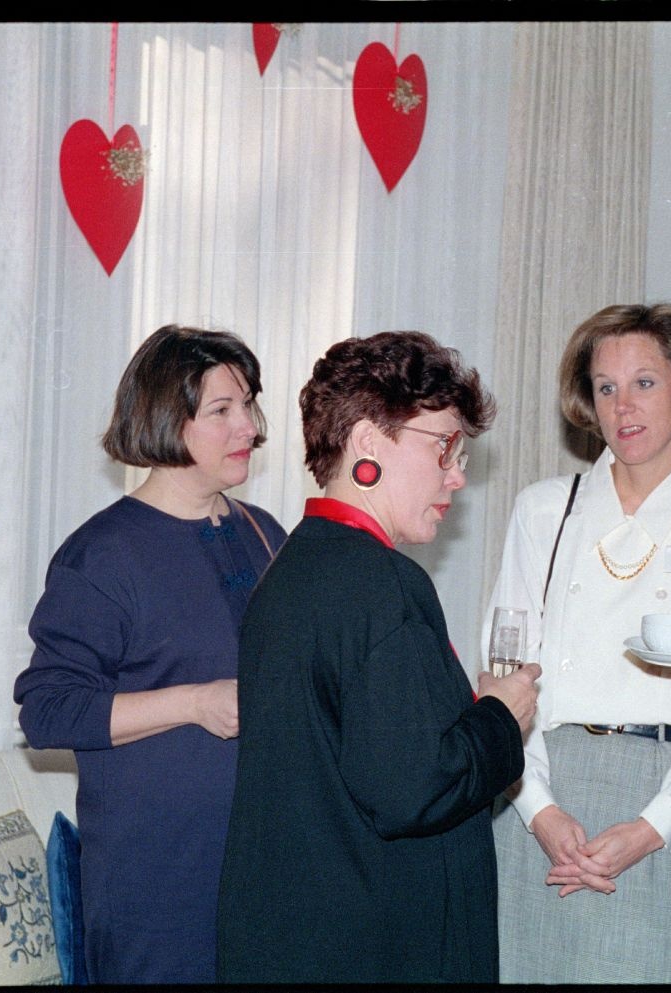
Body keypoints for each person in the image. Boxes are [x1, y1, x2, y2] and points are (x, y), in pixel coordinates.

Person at [216, 331, 540, 984]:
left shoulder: (293, 569)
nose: (456, 475)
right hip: (372, 945)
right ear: (367, 441)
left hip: (305, 939)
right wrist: (502, 716)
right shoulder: (379, 582)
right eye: (443, 446)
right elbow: (411, 789)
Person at [484, 303, 671, 983]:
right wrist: (540, 810)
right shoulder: (545, 509)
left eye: (644, 381)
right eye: (605, 386)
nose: (623, 405)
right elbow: (504, 673)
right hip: (541, 794)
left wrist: (651, 826)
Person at [13, 325, 286, 984]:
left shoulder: (265, 532)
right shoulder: (102, 555)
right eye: (223, 410)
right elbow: (46, 712)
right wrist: (196, 702)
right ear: (167, 418)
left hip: (263, 875)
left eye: (248, 403)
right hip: (157, 893)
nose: (248, 425)